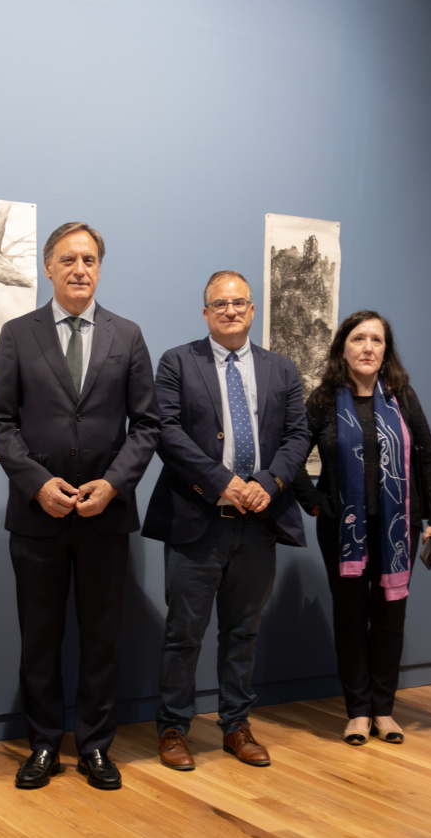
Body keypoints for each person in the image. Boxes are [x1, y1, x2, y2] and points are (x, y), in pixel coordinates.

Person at [0, 221, 160, 790]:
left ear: (100, 268)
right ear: (48, 268)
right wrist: (37, 483)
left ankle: (95, 746)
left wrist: (113, 484)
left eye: (88, 260)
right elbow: (1, 421)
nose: (78, 269)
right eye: (67, 260)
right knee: (40, 637)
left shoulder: (127, 335)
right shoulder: (18, 333)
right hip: (39, 516)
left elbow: (147, 425)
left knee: (102, 637)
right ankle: (42, 744)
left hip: (104, 515)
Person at [142, 270, 310, 771]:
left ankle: (236, 724)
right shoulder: (178, 362)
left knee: (243, 632)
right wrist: (222, 482)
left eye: (240, 303)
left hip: (259, 522)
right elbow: (166, 431)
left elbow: (298, 435)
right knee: (183, 633)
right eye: (220, 304)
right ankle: (173, 728)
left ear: (252, 310)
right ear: (205, 312)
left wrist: (268, 483)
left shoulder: (282, 369)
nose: (231, 311)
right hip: (199, 519)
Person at [295, 311, 431, 746]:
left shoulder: (402, 396)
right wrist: (316, 504)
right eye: (359, 339)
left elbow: (426, 458)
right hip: (342, 530)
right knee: (350, 619)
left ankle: (384, 710)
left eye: (376, 340)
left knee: (389, 619)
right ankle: (357, 712)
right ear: (343, 347)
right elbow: (290, 457)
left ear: (386, 350)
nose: (368, 347)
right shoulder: (324, 400)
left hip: (400, 529)